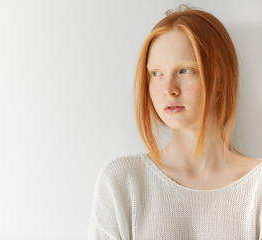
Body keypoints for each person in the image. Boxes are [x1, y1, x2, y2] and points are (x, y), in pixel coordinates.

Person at [87, 5, 262, 240]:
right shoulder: (123, 182)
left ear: (220, 78)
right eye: (156, 73)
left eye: (185, 71)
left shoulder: (256, 189)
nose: (168, 89)